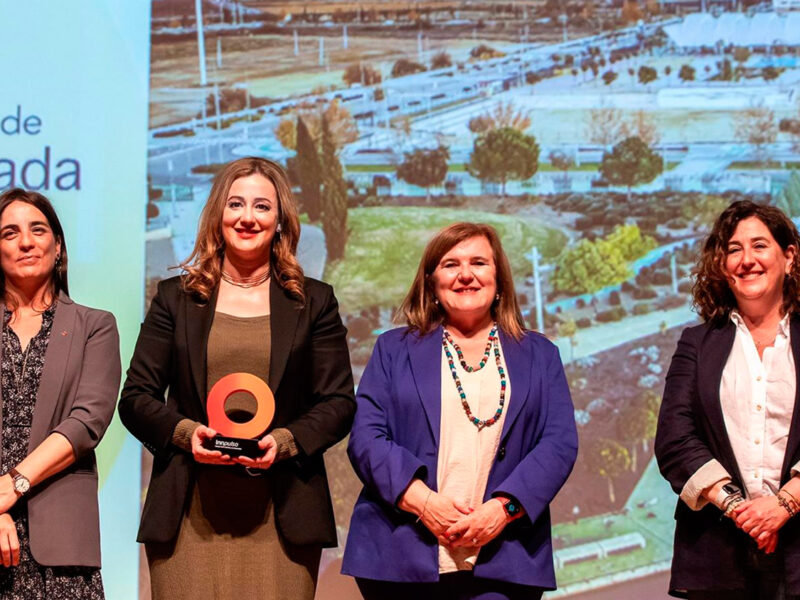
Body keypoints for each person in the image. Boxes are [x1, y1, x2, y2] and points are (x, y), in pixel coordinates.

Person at [118, 157, 355, 600]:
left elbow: (339, 403)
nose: (248, 217)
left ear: (280, 220)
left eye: (262, 207)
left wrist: (284, 442)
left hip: (282, 516)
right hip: (188, 514)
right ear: (217, 215)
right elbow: (136, 398)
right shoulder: (176, 298)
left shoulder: (314, 302)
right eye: (236, 204)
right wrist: (187, 434)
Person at [342, 222, 578, 600]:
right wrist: (423, 502)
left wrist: (503, 510)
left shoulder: (541, 354)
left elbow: (558, 443)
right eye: (451, 264)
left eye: (479, 262)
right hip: (399, 557)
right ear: (431, 282)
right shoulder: (392, 349)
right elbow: (367, 438)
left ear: (498, 279)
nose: (465, 274)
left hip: (505, 556)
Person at [655, 200, 800, 599]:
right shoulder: (696, 344)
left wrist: (785, 504)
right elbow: (674, 438)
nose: (746, 260)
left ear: (788, 257)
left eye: (759, 246)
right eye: (733, 250)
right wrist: (742, 511)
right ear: (721, 266)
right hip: (717, 556)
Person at [0, 188, 120, 598]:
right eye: (9, 233)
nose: (26, 242)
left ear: (58, 246)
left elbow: (87, 422)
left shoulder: (95, 326)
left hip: (62, 549)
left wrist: (12, 484)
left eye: (38, 229)